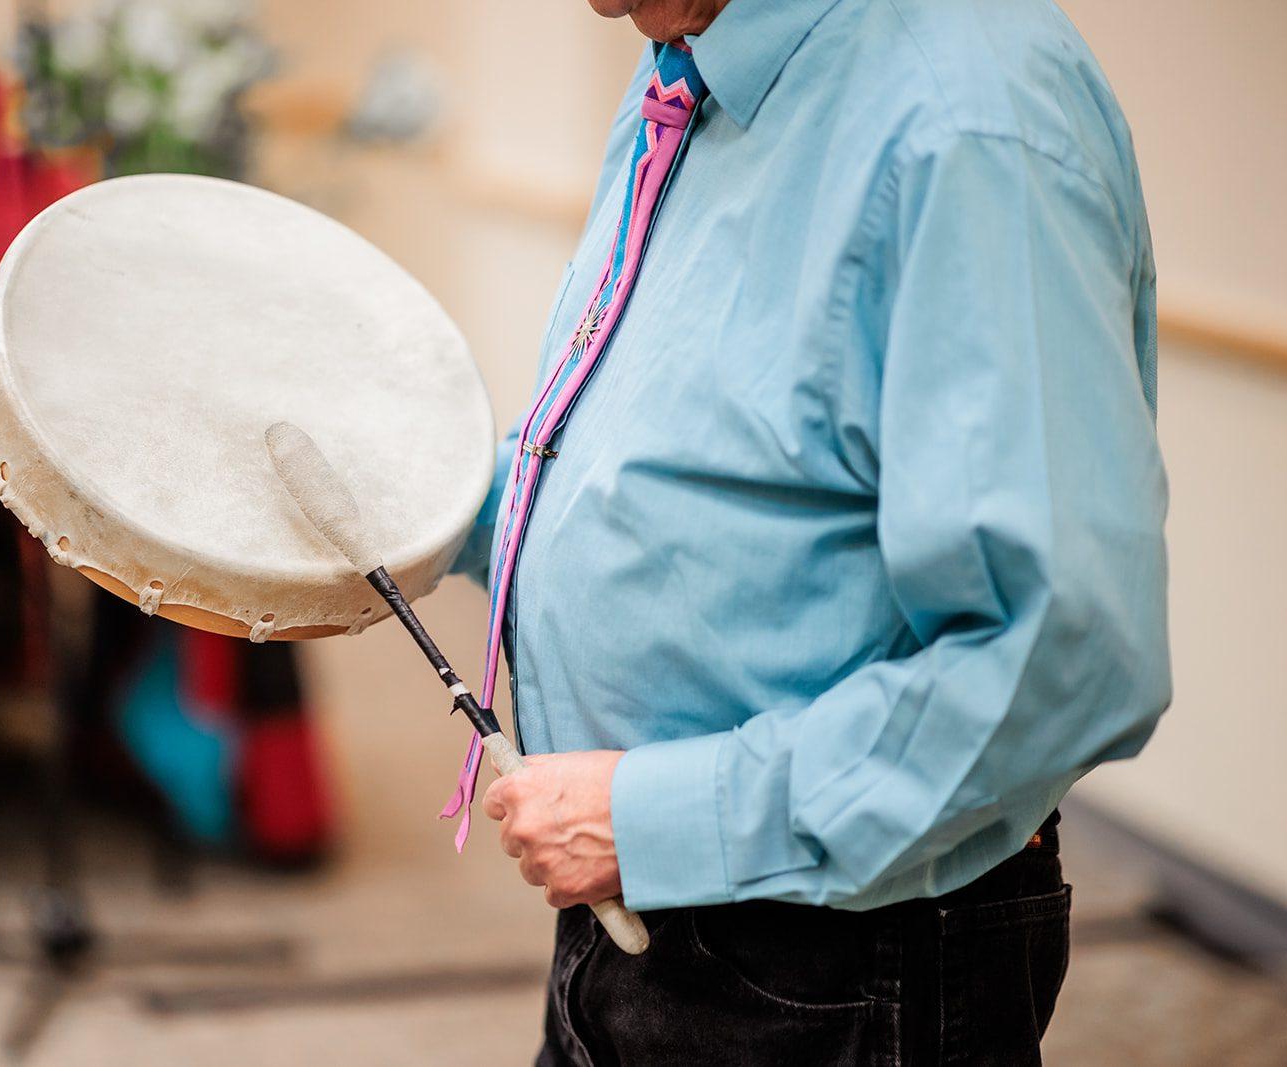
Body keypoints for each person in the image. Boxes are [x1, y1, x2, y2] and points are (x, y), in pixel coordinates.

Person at [450, 0, 1171, 1062]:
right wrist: (404, 493)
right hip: (642, 910)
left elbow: (1055, 654)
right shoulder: (694, 63)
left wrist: (658, 822)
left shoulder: (962, 118)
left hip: (839, 956)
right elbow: (667, 461)